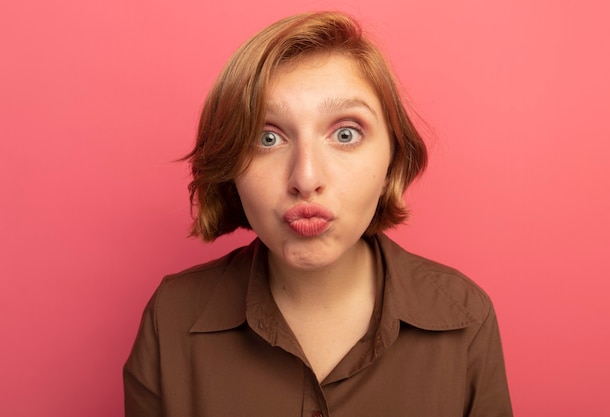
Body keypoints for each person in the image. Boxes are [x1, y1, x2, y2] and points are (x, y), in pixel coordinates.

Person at [123, 11, 513, 417]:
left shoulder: (466, 318)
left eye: (346, 134)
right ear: (230, 167)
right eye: (267, 138)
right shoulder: (171, 318)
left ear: (392, 161)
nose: (305, 178)